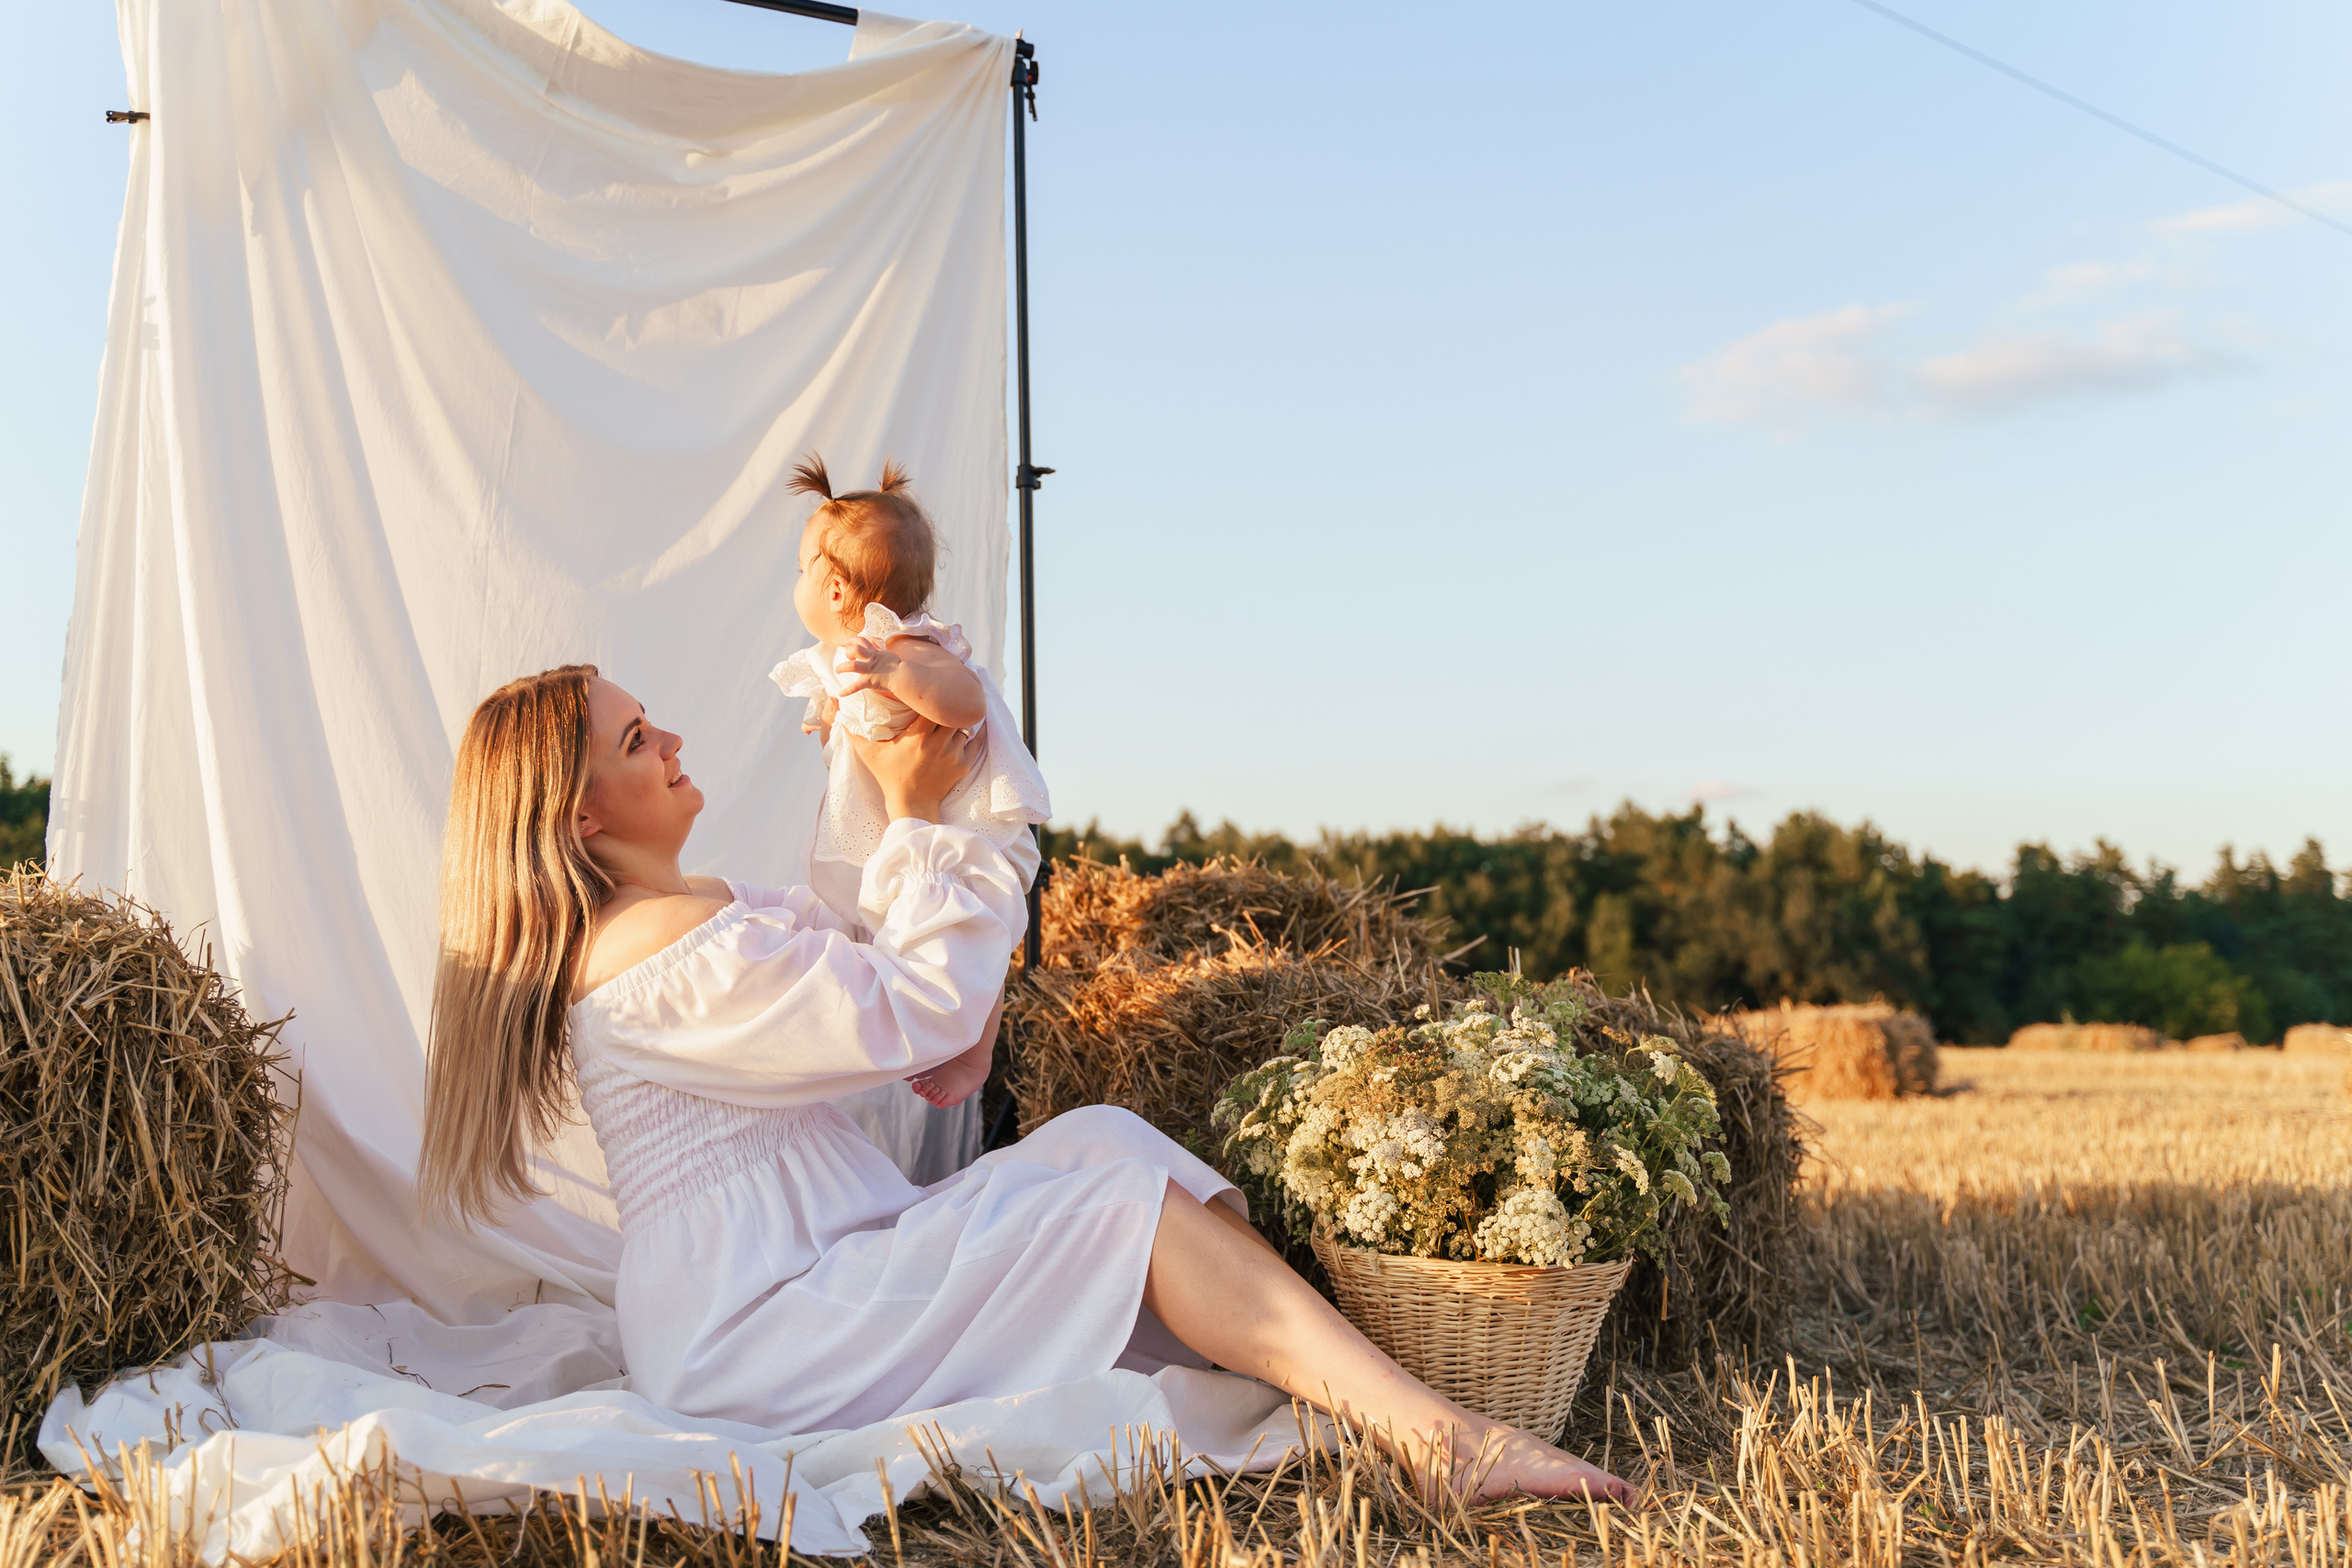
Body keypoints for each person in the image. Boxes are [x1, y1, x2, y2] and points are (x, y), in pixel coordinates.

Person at [418, 664, 1633, 1503]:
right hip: (761, 1324)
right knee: (1121, 1207)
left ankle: (1339, 1373)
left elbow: (874, 952)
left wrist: (896, 790)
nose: (673, 741)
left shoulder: (686, 913)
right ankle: (1436, 1432)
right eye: (638, 739)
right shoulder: (652, 953)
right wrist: (916, 812)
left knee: (1104, 1137)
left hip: (804, 1268)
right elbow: (917, 1004)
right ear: (581, 818)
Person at [768, 454, 1047, 1180]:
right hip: (922, 826)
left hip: (972, 827)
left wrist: (894, 672)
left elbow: (966, 700)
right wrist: (831, 712)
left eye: (800, 569)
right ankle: (926, 1020)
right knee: (910, 925)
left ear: (835, 588)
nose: (795, 582)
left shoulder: (909, 644)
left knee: (986, 930)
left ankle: (978, 1050)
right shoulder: (846, 656)